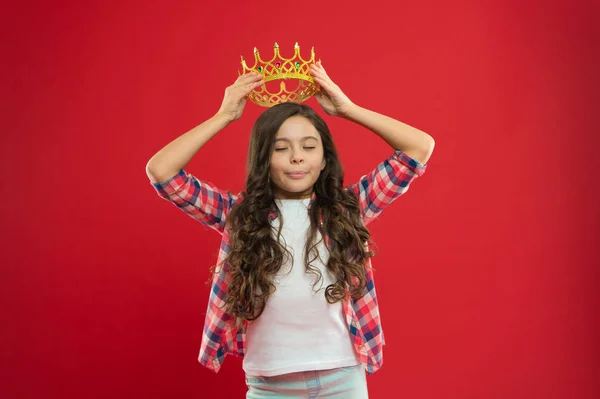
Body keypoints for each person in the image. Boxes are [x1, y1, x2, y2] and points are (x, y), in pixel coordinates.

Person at [146, 61, 435, 398]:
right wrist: (222, 117)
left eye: (309, 147)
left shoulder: (349, 208)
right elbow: (162, 172)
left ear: (325, 158)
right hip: (269, 384)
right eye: (281, 148)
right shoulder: (237, 215)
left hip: (342, 376)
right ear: (263, 160)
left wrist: (349, 109)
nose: (297, 157)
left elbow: (419, 148)